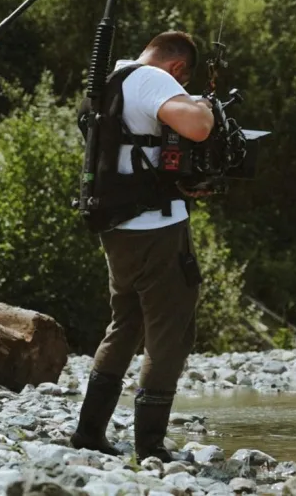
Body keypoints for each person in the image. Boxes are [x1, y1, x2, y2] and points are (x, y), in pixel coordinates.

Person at [71, 31, 214, 461]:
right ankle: (150, 446)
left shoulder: (111, 79)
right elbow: (198, 126)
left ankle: (89, 431)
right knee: (169, 335)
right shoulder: (153, 79)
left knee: (126, 325)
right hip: (157, 228)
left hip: (117, 227)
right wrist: (203, 105)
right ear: (178, 68)